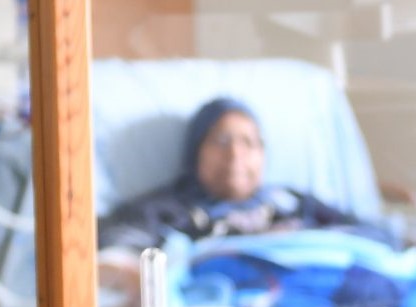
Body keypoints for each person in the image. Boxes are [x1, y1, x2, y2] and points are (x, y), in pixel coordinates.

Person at [98, 97, 361, 257]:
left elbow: (370, 237)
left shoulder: (290, 202)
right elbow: (115, 250)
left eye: (248, 142)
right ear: (195, 152)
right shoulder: (165, 210)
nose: (235, 154)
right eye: (221, 141)